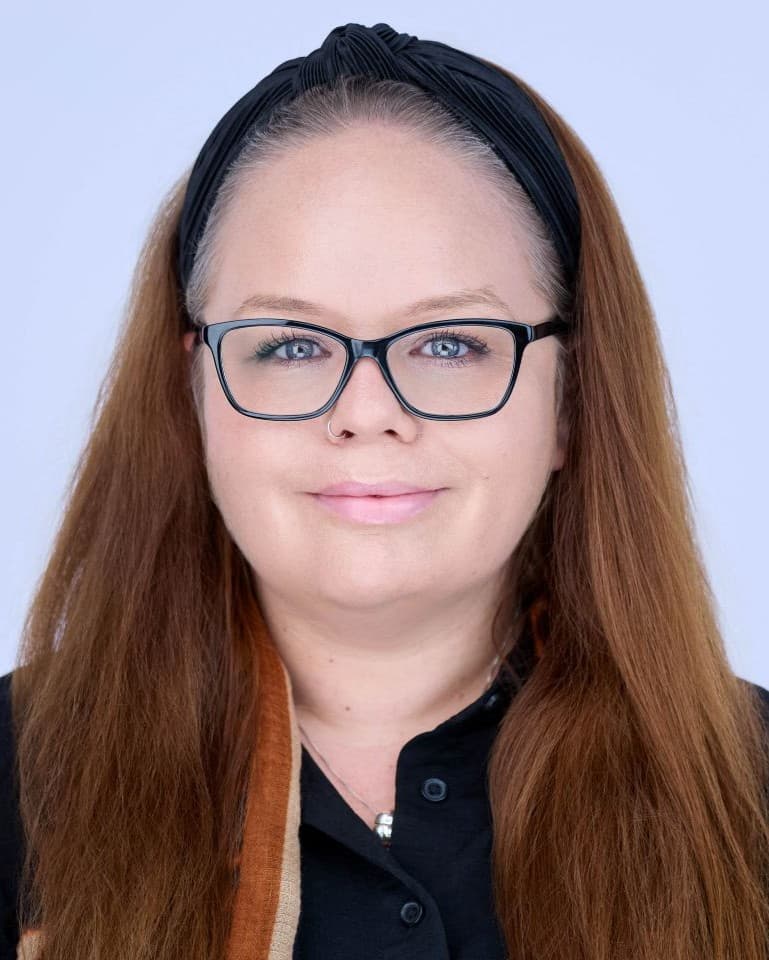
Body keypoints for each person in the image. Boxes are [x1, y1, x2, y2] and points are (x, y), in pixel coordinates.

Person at [2, 20, 769, 960]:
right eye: (289, 343)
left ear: (571, 400)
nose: (367, 413)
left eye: (450, 343)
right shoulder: (14, 784)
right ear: (191, 393)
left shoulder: (754, 796)